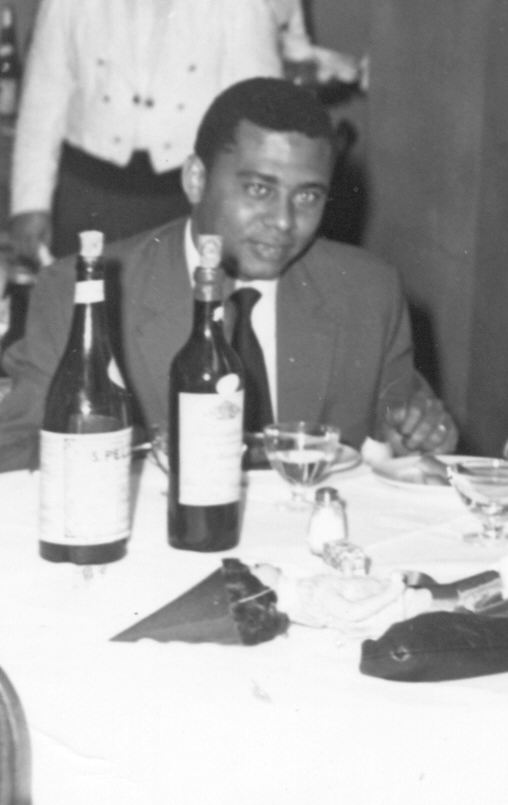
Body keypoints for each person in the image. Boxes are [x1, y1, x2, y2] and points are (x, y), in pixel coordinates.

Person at [0, 77, 457, 472]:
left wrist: (419, 438)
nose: (283, 221)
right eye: (259, 189)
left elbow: (405, 437)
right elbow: (15, 452)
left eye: (307, 197)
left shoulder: (367, 292)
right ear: (196, 180)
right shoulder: (86, 292)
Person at [10, 0, 361, 264]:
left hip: (183, 199)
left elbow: (256, 119)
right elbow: (43, 99)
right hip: (87, 195)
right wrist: (29, 203)